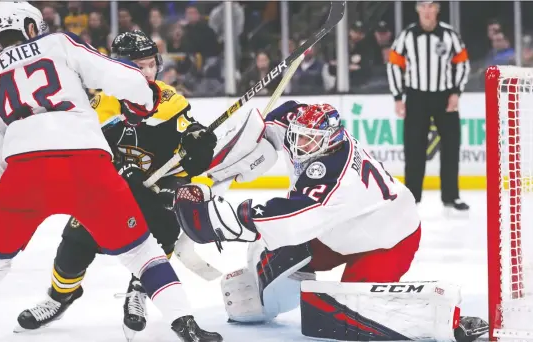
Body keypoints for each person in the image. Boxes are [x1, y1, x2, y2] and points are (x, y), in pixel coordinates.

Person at [0, 3, 221, 342]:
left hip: (24, 172)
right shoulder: (59, 43)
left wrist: (18, 178)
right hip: (87, 167)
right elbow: (121, 78)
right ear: (29, 28)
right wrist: (144, 100)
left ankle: (128, 296)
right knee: (140, 253)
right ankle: (185, 324)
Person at [172, 101, 489, 341]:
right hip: (337, 230)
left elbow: (289, 215)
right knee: (272, 255)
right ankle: (265, 297)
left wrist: (213, 221)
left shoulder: (337, 179)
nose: (299, 144)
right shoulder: (308, 128)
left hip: (388, 240)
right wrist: (214, 160)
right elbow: (274, 122)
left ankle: (451, 321)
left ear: (330, 142)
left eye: (309, 141)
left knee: (343, 315)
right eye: (299, 136)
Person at [387, 1, 470, 213]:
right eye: (422, 6)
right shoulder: (407, 36)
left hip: (444, 96)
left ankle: (451, 197)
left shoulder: (450, 35)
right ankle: (411, 197)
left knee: (451, 146)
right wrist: (398, 96)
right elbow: (394, 64)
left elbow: (462, 63)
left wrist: (456, 92)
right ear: (417, 9)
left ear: (437, 9)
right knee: (413, 147)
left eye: (431, 6)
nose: (426, 11)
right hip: (416, 97)